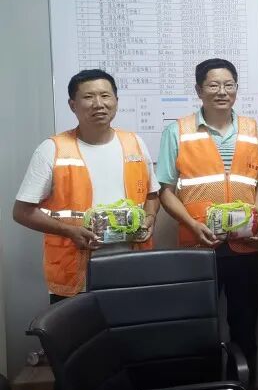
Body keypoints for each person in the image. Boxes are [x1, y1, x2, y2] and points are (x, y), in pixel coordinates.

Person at [156, 58, 258, 390]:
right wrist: (191, 223)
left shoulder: (251, 129)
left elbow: (256, 184)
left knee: (245, 330)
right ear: (199, 90)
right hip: (197, 249)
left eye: (229, 84)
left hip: (245, 249)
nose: (222, 92)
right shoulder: (178, 131)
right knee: (200, 332)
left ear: (236, 88)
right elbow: (166, 190)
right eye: (213, 85)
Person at [13, 69, 159, 302]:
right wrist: (69, 231)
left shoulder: (134, 143)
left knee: (130, 325)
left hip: (130, 268)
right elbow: (22, 212)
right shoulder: (53, 149)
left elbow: (152, 194)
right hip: (75, 271)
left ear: (116, 101)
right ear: (73, 105)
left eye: (105, 95)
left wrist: (150, 219)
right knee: (77, 327)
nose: (98, 104)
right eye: (89, 97)